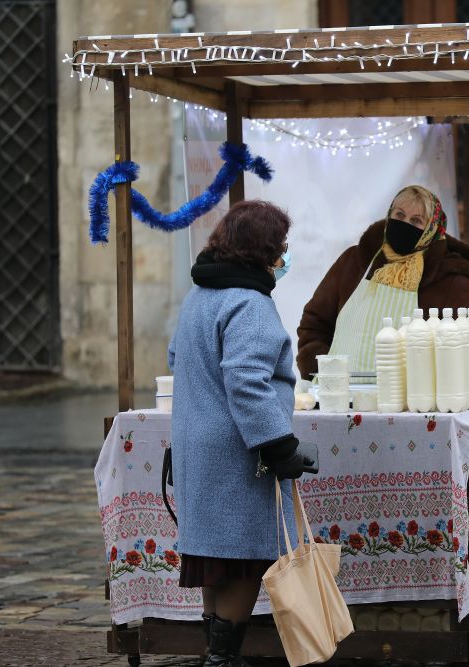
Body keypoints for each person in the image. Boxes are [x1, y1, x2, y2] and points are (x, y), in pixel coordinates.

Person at [168, 200, 317, 666]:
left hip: (199, 448)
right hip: (237, 454)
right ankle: (221, 660)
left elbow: (176, 358)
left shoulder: (200, 296)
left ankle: (215, 654)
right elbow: (247, 381)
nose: (284, 256)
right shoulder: (249, 303)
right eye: (281, 247)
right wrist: (278, 446)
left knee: (217, 562)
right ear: (263, 250)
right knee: (241, 562)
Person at [296, 185, 469, 379]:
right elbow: (315, 323)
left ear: (432, 228)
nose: (405, 224)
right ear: (389, 216)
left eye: (416, 221)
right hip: (340, 399)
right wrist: (319, 371)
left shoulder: (451, 281)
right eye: (400, 215)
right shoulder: (353, 262)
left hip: (413, 406)